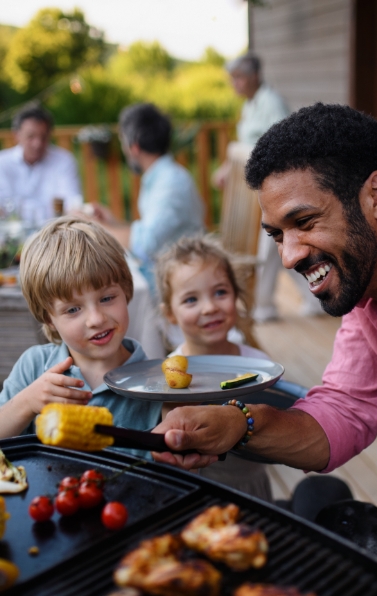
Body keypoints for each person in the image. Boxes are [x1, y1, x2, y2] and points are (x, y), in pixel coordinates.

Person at [152, 103, 377, 595]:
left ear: (375, 195)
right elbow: (345, 409)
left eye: (304, 221)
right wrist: (236, 425)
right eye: (276, 234)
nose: (288, 255)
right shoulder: (368, 278)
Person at [0, 216, 162, 458]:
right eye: (73, 309)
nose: (96, 319)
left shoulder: (156, 383)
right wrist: (27, 403)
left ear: (127, 291)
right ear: (49, 319)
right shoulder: (34, 366)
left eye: (106, 298)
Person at [155, 235, 272, 500]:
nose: (209, 307)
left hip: (253, 486)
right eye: (191, 300)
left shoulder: (259, 364)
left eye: (220, 292)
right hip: (199, 492)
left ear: (236, 294)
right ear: (170, 313)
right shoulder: (169, 376)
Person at [213, 53, 322, 322]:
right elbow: (246, 145)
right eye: (233, 78)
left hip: (277, 189)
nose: (235, 83)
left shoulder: (271, 104)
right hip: (258, 190)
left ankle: (261, 306)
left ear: (255, 77)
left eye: (239, 77)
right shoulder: (250, 106)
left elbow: (285, 146)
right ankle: (312, 300)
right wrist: (229, 168)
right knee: (278, 249)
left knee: (271, 247)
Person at [89, 103, 204, 292]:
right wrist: (112, 222)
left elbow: (146, 245)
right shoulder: (160, 176)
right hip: (169, 270)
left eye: (122, 142)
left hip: (181, 281)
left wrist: (93, 226)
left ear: (133, 147)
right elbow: (149, 234)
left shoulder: (171, 182)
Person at [0, 105, 82, 227]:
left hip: (54, 234)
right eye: (31, 136)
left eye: (43, 137)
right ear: (16, 135)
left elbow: (73, 203)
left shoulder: (64, 161)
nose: (37, 143)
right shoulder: (3, 162)